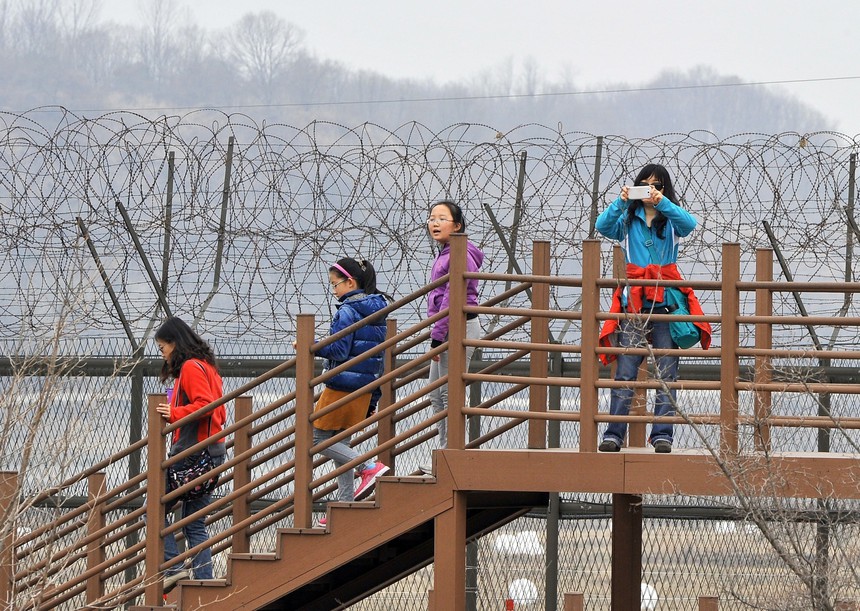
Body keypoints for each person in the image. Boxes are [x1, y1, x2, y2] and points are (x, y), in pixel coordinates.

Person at [595, 164, 711, 454]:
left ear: (664, 189)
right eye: (644, 185)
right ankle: (613, 433)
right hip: (634, 298)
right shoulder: (627, 218)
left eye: (656, 185)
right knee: (625, 369)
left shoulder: (671, 220)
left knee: (666, 371)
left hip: (666, 299)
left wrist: (664, 203)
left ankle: (663, 435)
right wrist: (621, 201)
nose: (650, 190)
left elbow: (689, 224)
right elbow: (602, 226)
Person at [311, 258, 391, 525]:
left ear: (350, 282)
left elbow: (339, 350)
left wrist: (310, 346)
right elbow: (377, 358)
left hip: (341, 386)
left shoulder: (348, 310)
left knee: (316, 440)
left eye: (335, 284)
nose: (333, 289)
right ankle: (343, 507)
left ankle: (368, 466)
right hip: (364, 388)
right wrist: (373, 398)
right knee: (340, 443)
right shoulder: (377, 312)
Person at [154, 317, 227, 591]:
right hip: (211, 450)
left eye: (163, 347)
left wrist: (174, 412)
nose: (163, 354)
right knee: (194, 523)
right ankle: (203, 584)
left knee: (152, 507)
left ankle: (173, 567)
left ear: (175, 343)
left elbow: (206, 406)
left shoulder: (190, 367)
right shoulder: (208, 367)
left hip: (194, 452)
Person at [423, 200, 484, 472]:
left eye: (441, 218)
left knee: (449, 393)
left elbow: (451, 297)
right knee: (436, 394)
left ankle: (451, 456)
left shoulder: (460, 253)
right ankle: (445, 451)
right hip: (445, 328)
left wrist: (437, 337)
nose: (434, 223)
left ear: (457, 226)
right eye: (431, 218)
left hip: (457, 327)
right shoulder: (446, 252)